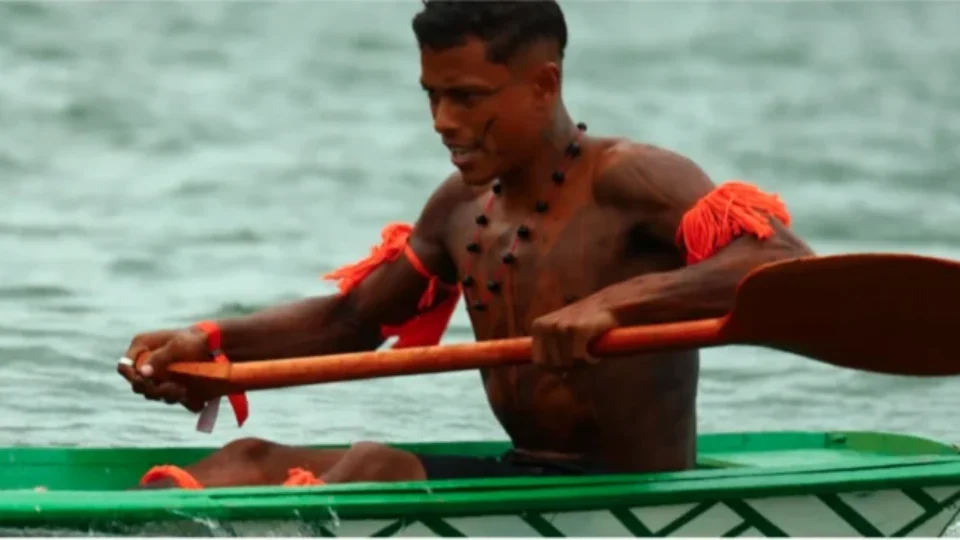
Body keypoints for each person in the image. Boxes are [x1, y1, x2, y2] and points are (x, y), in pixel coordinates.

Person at [118, 0, 814, 489]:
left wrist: (619, 304)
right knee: (243, 459)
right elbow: (350, 322)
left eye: (467, 97)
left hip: (631, 492)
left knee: (372, 468)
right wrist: (210, 343)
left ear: (544, 84)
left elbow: (782, 260)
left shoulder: (633, 177)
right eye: (431, 96)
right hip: (522, 476)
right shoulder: (460, 207)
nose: (442, 121)